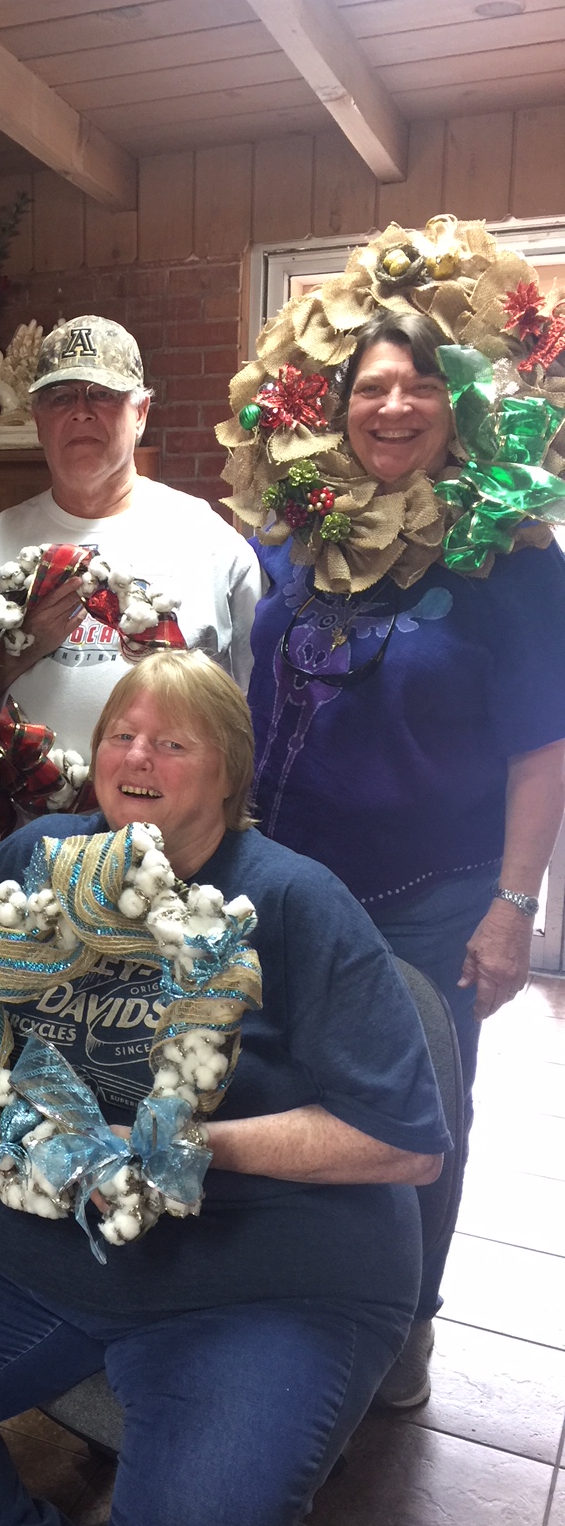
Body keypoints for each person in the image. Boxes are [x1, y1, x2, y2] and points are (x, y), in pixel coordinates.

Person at [0, 649, 448, 1526]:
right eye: (121, 735)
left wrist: (172, 1150)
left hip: (257, 1276)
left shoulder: (292, 900)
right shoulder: (36, 858)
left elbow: (403, 1144)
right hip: (21, 1246)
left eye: (173, 743)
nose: (138, 756)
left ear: (230, 773)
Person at [227, 223, 565, 1409]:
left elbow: (544, 746)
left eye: (421, 382)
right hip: (285, 885)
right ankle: (303, 1296)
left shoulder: (511, 559)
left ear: (456, 401)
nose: (395, 404)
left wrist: (512, 907)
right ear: (336, 405)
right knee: (281, 1090)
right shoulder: (294, 533)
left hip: (432, 900)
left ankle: (406, 1319)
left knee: (417, 1113)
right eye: (371, 384)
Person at [0, 315, 262, 776]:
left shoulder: (209, 542)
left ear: (141, 413)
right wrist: (12, 655)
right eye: (61, 397)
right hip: (18, 815)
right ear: (37, 419)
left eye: (103, 394)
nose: (81, 411)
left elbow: (257, 712)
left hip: (171, 816)